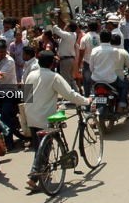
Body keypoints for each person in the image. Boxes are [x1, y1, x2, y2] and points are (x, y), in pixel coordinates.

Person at [25, 51, 91, 191]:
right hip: (46, 118)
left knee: (39, 148)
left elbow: (28, 96)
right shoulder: (54, 77)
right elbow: (70, 94)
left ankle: (41, 172)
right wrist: (86, 101)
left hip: (31, 115)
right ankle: (33, 178)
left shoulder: (31, 74)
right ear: (51, 63)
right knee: (45, 148)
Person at [89, 32, 129, 111]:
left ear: (100, 38)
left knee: (92, 91)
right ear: (110, 39)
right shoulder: (115, 51)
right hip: (111, 80)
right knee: (124, 86)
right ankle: (121, 104)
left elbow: (91, 67)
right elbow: (117, 66)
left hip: (96, 79)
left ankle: (92, 105)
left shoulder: (94, 50)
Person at [51, 21, 79, 89]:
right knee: (71, 78)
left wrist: (54, 25)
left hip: (66, 60)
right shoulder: (73, 34)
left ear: (69, 28)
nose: (65, 26)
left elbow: (58, 31)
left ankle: (69, 96)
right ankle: (76, 94)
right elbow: (61, 40)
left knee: (66, 79)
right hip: (70, 59)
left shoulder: (68, 35)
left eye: (66, 25)